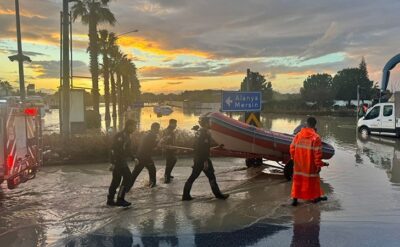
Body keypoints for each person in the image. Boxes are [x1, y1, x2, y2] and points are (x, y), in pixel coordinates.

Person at [182, 115, 229, 201]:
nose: (210, 124)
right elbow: (203, 149)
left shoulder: (199, 132)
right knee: (211, 177)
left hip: (197, 158)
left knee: (193, 177)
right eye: (209, 122)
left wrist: (217, 147)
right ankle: (218, 195)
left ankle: (185, 195)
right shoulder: (205, 133)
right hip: (203, 159)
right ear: (206, 123)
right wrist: (205, 161)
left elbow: (199, 147)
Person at [290, 117, 328, 206]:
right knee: (314, 181)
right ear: (315, 125)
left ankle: (295, 200)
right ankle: (316, 198)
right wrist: (320, 165)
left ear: (306, 124)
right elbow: (317, 155)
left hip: (298, 164)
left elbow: (292, 148)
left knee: (297, 181)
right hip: (310, 166)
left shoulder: (298, 135)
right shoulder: (316, 138)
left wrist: (294, 159)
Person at [107, 119, 136, 207]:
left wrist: (133, 157)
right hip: (118, 161)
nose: (134, 128)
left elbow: (127, 149)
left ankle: (110, 200)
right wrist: (112, 163)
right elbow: (113, 149)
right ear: (128, 126)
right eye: (133, 126)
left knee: (116, 181)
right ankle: (120, 199)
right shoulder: (120, 135)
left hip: (121, 161)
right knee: (128, 177)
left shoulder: (127, 135)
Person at [131, 122, 160, 188]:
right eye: (157, 128)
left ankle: (126, 188)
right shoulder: (152, 135)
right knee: (151, 170)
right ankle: (152, 185)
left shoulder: (147, 134)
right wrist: (159, 143)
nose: (158, 130)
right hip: (145, 157)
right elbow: (153, 146)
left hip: (140, 156)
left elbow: (149, 145)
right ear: (153, 128)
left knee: (136, 173)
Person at [161, 119, 178, 184]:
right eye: (175, 124)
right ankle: (166, 177)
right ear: (171, 124)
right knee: (170, 162)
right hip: (168, 149)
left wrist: (175, 147)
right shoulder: (167, 131)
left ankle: (168, 174)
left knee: (173, 160)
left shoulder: (171, 131)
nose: (176, 125)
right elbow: (164, 140)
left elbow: (173, 141)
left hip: (172, 149)